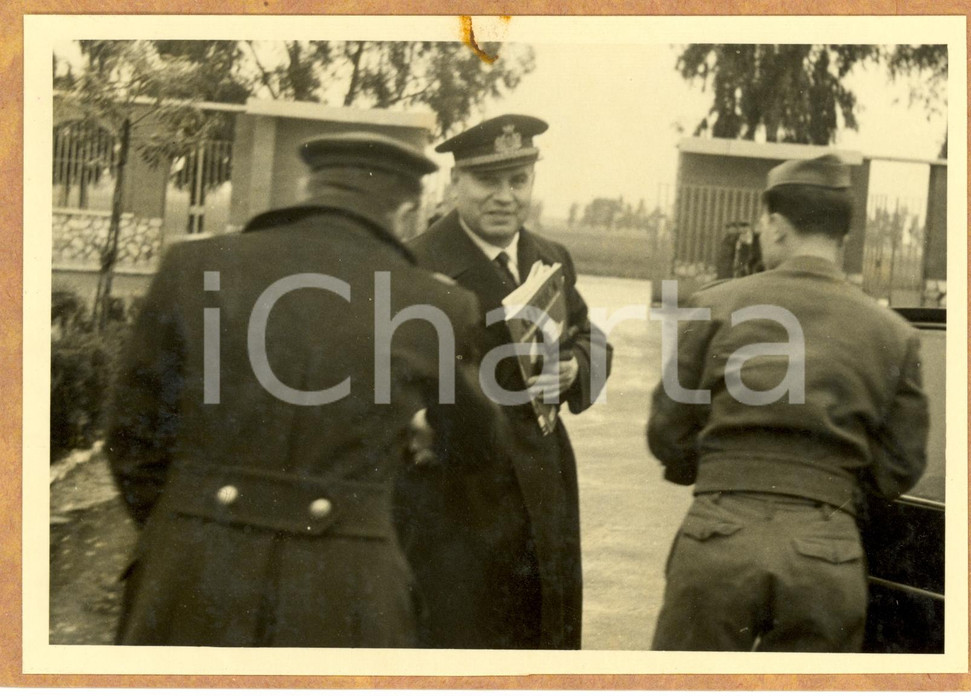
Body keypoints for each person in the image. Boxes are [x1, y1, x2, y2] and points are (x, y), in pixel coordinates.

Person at [105, 131, 507, 647]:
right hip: (347, 587)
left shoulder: (192, 267)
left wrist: (185, 524)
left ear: (308, 189)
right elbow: (479, 449)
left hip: (187, 575)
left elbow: (129, 436)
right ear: (407, 212)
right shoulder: (436, 304)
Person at [646, 153, 929, 652]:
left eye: (762, 224)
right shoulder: (895, 334)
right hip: (827, 550)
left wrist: (720, 472)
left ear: (776, 226)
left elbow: (668, 432)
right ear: (843, 236)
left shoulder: (715, 306)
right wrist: (832, 488)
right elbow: (901, 465)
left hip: (718, 536)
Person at [396, 114, 613, 649]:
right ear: (456, 181)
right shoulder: (417, 263)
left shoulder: (550, 257)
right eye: (487, 181)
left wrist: (575, 367)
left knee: (544, 632)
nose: (505, 197)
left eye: (518, 180)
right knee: (467, 638)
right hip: (460, 492)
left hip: (544, 480)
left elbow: (588, 333)